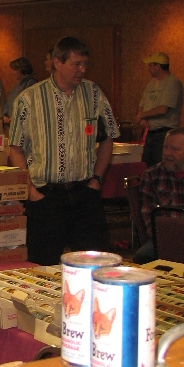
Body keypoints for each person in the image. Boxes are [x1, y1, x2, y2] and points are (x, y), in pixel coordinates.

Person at [9, 36, 119, 266]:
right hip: (46, 196)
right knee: (42, 265)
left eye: (85, 64)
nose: (82, 70)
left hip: (84, 193)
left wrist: (97, 180)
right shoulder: (29, 99)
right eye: (76, 64)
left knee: (95, 264)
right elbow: (15, 148)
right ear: (57, 63)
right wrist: (30, 190)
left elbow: (108, 137)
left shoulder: (94, 93)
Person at [133, 127, 184, 264]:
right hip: (166, 237)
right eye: (165, 147)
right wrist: (162, 238)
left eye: (174, 149)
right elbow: (147, 214)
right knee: (141, 257)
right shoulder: (152, 175)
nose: (167, 153)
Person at [135, 52, 184, 168]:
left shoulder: (172, 83)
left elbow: (163, 109)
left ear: (157, 66)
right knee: (147, 167)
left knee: (161, 166)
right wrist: (142, 118)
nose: (149, 68)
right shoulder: (151, 83)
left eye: (150, 65)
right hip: (150, 133)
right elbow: (142, 104)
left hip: (164, 133)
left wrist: (142, 116)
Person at [3, 57, 36, 126]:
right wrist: (5, 115)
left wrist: (16, 117)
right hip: (12, 122)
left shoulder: (30, 83)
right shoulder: (17, 85)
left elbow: (28, 105)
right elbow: (9, 102)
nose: (12, 72)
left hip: (21, 123)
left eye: (15, 70)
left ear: (21, 69)